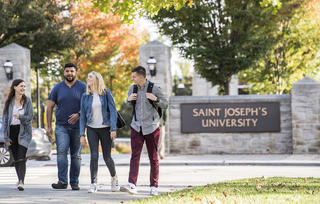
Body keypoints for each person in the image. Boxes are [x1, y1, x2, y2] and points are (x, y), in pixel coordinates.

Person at [120, 66, 168, 196]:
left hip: (151, 127)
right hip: (136, 126)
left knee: (153, 157)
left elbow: (165, 104)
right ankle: (132, 184)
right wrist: (128, 100)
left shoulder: (154, 88)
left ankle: (154, 186)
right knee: (135, 156)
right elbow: (130, 105)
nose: (132, 78)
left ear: (141, 76)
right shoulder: (132, 88)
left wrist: (155, 99)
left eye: (134, 76)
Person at [46, 63, 86, 190]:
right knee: (61, 153)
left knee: (76, 155)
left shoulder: (83, 87)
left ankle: (74, 182)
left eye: (72, 71)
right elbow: (49, 107)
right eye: (67, 71)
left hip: (78, 127)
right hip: (61, 126)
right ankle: (62, 181)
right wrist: (48, 126)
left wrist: (79, 114)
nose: (69, 73)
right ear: (64, 73)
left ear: (76, 73)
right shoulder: (58, 87)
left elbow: (87, 105)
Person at [79, 71, 119, 193]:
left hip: (105, 128)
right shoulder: (85, 96)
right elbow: (82, 117)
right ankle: (93, 183)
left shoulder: (106, 93)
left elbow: (113, 111)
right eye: (87, 77)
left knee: (107, 157)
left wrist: (113, 128)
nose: (88, 79)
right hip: (92, 128)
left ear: (97, 79)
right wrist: (82, 134)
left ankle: (114, 178)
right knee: (94, 156)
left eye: (90, 77)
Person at [3, 79, 33, 191]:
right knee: (16, 158)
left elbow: (30, 117)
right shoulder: (9, 102)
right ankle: (19, 178)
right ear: (15, 87)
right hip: (11, 132)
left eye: (24, 86)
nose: (23, 88)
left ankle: (21, 181)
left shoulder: (27, 101)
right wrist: (6, 137)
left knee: (21, 157)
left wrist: (20, 117)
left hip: (23, 132)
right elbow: (5, 120)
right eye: (21, 86)